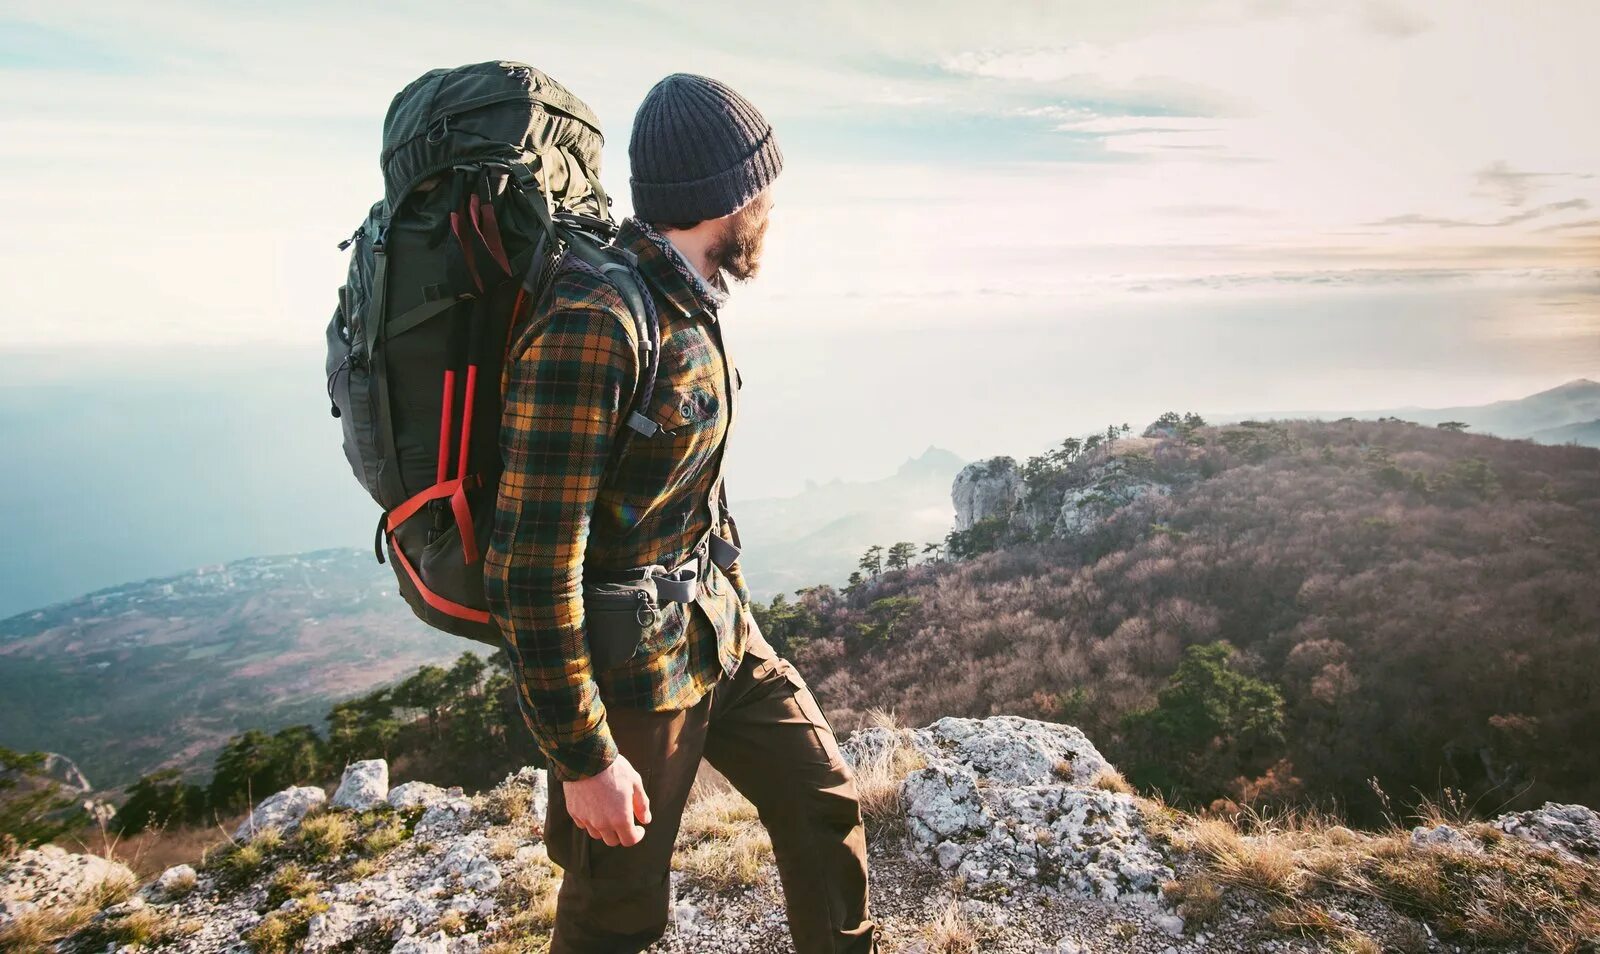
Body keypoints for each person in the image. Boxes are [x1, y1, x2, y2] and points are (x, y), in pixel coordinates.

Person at [484, 73, 877, 954]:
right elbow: (529, 567)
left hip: (714, 632)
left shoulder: (686, 298)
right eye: (762, 185)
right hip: (631, 679)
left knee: (821, 803)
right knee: (616, 912)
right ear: (726, 198)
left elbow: (689, 482)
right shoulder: (598, 320)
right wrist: (584, 761)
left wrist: (729, 590)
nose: (772, 204)